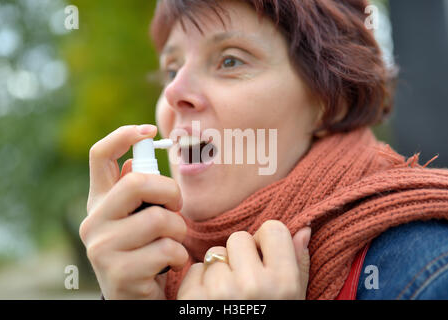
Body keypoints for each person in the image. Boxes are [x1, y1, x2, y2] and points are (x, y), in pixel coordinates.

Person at [79, 0, 448, 300]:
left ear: (328, 102)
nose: (174, 94)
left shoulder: (427, 275)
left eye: (230, 60)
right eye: (172, 70)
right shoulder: (151, 280)